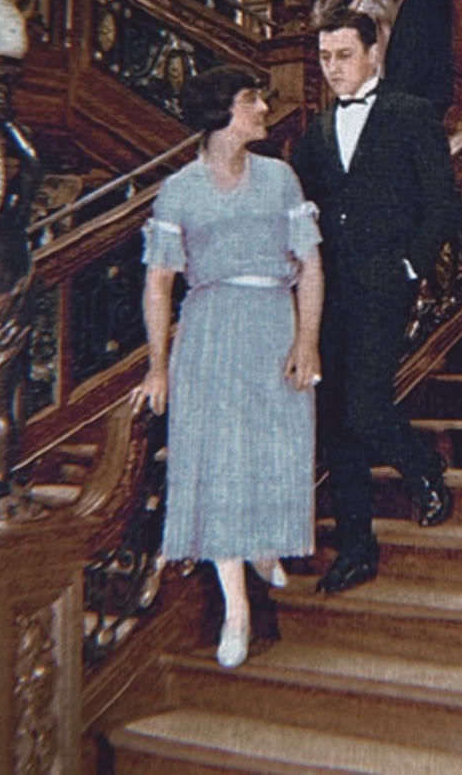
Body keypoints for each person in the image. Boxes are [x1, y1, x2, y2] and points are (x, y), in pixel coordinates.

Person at [131, 64, 323, 669]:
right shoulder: (179, 190)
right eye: (251, 99)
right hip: (210, 332)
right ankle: (235, 606)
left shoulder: (280, 178)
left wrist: (308, 341)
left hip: (273, 325)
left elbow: (311, 268)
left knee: (273, 449)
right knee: (215, 461)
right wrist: (158, 366)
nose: (264, 108)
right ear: (220, 113)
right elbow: (159, 284)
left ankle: (264, 542)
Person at [292, 8, 461, 595]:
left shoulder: (412, 115)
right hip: (326, 289)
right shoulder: (315, 129)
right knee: (336, 420)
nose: (333, 68)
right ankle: (357, 547)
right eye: (324, 57)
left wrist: (410, 266)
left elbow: (443, 204)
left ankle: (423, 469)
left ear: (373, 55)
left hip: (386, 284)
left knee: (364, 406)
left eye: (343, 55)